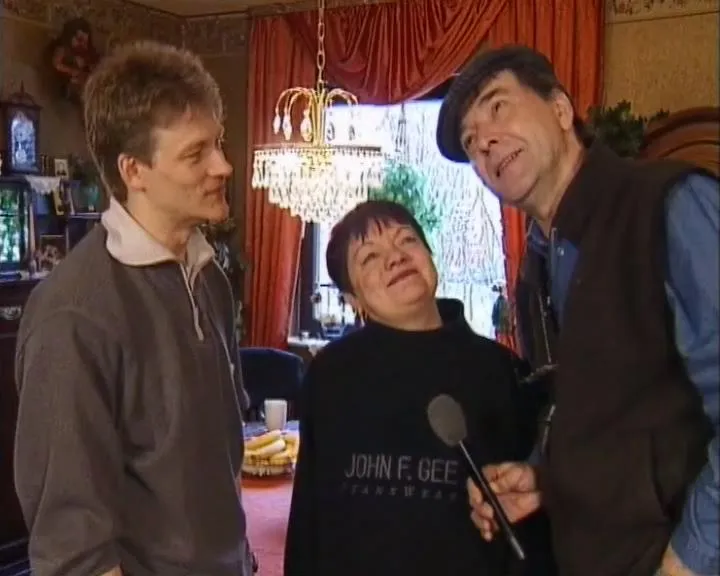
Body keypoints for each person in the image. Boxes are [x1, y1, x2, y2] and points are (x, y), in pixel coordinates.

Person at [435, 44, 719, 576]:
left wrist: (689, 560)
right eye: (471, 142)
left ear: (561, 109)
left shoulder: (671, 206)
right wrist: (543, 475)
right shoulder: (536, 270)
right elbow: (592, 408)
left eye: (497, 107)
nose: (485, 142)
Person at [14, 41, 254, 576]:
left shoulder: (209, 279)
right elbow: (73, 549)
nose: (224, 165)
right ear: (134, 170)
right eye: (196, 153)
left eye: (218, 143)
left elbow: (217, 467)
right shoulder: (73, 314)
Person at [284, 200, 555, 576]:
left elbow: (528, 516)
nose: (395, 258)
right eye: (369, 257)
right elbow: (309, 517)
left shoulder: (499, 368)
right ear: (352, 299)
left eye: (407, 240)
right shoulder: (330, 373)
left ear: (429, 254)